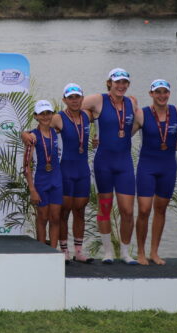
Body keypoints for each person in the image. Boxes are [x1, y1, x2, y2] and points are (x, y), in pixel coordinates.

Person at [23, 83, 94, 262]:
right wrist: (23, 134)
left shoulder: (88, 114)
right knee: (57, 214)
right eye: (70, 97)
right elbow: (33, 132)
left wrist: (97, 137)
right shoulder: (57, 120)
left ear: (82, 98)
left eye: (78, 96)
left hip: (80, 171)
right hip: (62, 173)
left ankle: (77, 251)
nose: (74, 100)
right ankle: (60, 251)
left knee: (78, 211)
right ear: (64, 100)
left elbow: (109, 113)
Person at [82, 68, 140, 265]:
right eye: (117, 82)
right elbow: (72, 107)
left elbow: (134, 126)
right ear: (109, 83)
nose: (121, 86)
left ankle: (125, 252)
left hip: (124, 163)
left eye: (125, 82)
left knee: (127, 211)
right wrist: (90, 127)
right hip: (103, 162)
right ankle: (107, 252)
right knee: (105, 208)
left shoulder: (132, 102)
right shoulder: (97, 99)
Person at [133, 79, 177, 265]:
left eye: (165, 92)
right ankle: (140, 252)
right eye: (158, 92)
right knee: (144, 209)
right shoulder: (142, 114)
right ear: (151, 94)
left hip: (168, 167)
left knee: (161, 209)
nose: (162, 96)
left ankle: (154, 252)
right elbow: (122, 135)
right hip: (147, 166)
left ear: (169, 94)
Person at [24, 100, 64, 251]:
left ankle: (53, 251)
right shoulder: (32, 137)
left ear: (53, 115)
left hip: (56, 180)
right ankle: (42, 252)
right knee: (42, 217)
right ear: (36, 116)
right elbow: (26, 166)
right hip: (40, 180)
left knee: (55, 218)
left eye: (48, 113)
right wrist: (32, 189)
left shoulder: (58, 133)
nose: (46, 116)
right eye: (42, 114)